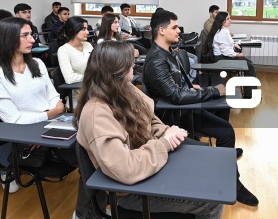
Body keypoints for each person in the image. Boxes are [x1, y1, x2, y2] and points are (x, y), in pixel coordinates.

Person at [74, 41, 223, 219]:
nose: (134, 64)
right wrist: (164, 143)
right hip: (129, 191)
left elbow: (150, 119)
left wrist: (169, 134)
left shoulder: (125, 88)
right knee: (211, 201)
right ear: (116, 69)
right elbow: (126, 168)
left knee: (207, 176)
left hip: (148, 167)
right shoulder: (96, 113)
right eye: (129, 62)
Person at [143, 9, 259, 206]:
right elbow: (176, 96)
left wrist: (192, 87)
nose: (179, 30)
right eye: (174, 27)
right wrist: (215, 91)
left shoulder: (168, 52)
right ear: (161, 30)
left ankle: (224, 154)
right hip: (174, 116)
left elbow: (176, 86)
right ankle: (233, 182)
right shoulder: (156, 60)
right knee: (226, 131)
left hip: (180, 107)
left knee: (223, 109)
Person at [203, 11, 256, 98]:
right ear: (222, 21)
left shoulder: (222, 29)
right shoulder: (222, 32)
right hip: (221, 59)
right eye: (228, 19)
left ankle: (250, 93)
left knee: (249, 64)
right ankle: (249, 95)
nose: (230, 20)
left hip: (222, 56)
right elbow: (226, 51)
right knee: (250, 67)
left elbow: (225, 44)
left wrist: (233, 44)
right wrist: (238, 55)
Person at [57, 16, 94, 105]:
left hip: (95, 88)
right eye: (83, 29)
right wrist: (91, 77)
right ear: (73, 30)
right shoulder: (64, 50)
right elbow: (69, 78)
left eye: (87, 29)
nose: (87, 32)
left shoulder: (88, 45)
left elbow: (98, 66)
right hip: (80, 94)